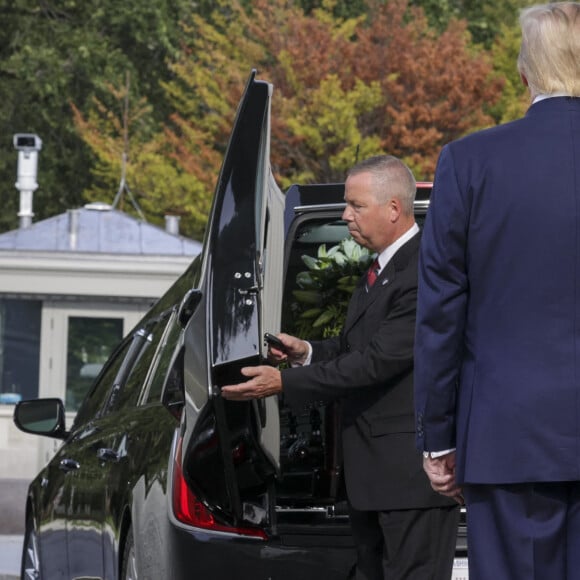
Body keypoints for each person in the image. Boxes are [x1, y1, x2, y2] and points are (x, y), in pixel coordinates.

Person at [222, 155, 459, 580]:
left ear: (392, 209)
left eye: (355, 205)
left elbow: (376, 363)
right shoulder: (382, 270)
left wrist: (283, 382)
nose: (346, 215)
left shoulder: (422, 271)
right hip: (374, 479)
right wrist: (308, 352)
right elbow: (360, 347)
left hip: (408, 480)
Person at [414, 3, 580, 579]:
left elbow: (440, 312)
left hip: (508, 434)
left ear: (525, 73)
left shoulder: (469, 162)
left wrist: (437, 437)